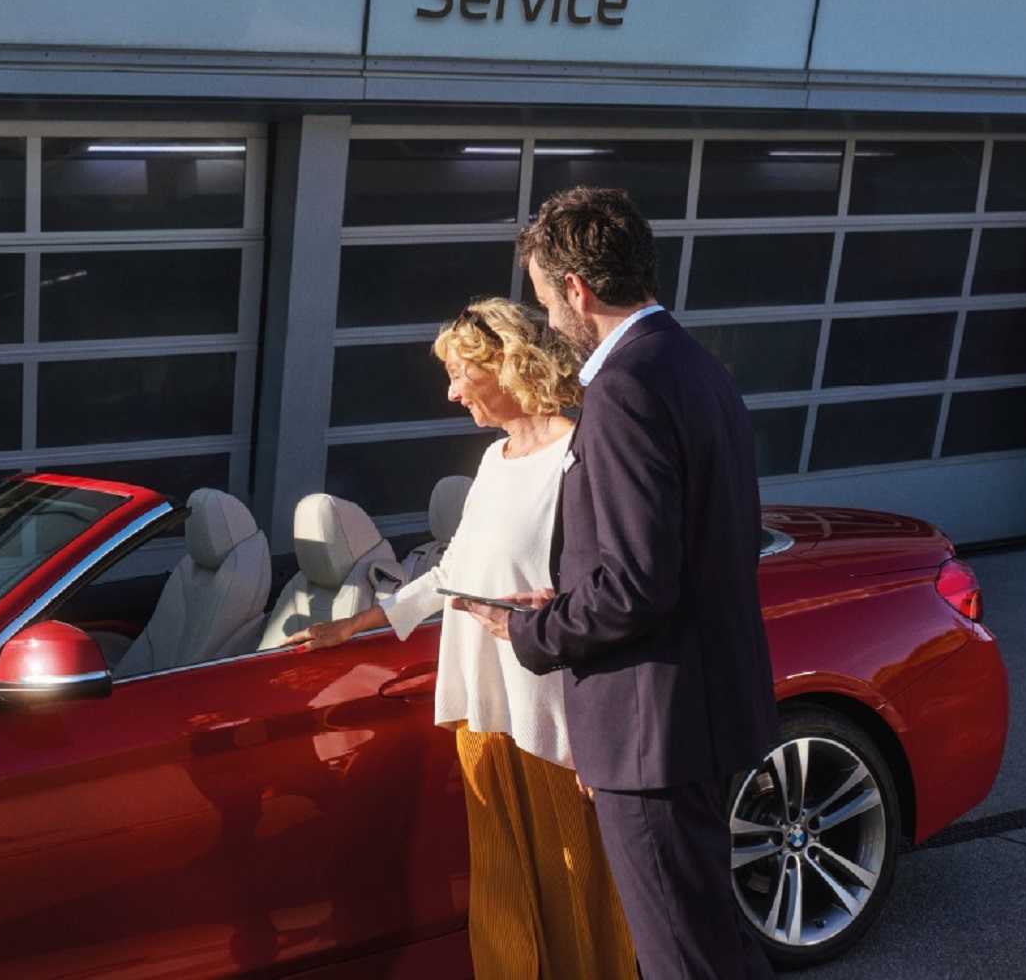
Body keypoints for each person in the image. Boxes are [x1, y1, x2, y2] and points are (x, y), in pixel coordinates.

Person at [456, 187, 780, 980]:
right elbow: (689, 548)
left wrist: (532, 629)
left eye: (544, 297)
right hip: (704, 709)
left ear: (576, 289)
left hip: (653, 730)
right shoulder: (695, 365)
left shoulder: (625, 387)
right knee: (714, 940)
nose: (547, 314)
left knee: (681, 956)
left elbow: (638, 584)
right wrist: (571, 599)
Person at [286, 298, 636, 980]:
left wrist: (606, 737)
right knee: (502, 893)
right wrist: (359, 622)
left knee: (577, 889)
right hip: (482, 706)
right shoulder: (495, 458)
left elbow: (611, 597)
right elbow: (458, 571)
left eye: (458, 373)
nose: (450, 393)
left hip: (552, 719)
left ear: (505, 364)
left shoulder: (580, 455)